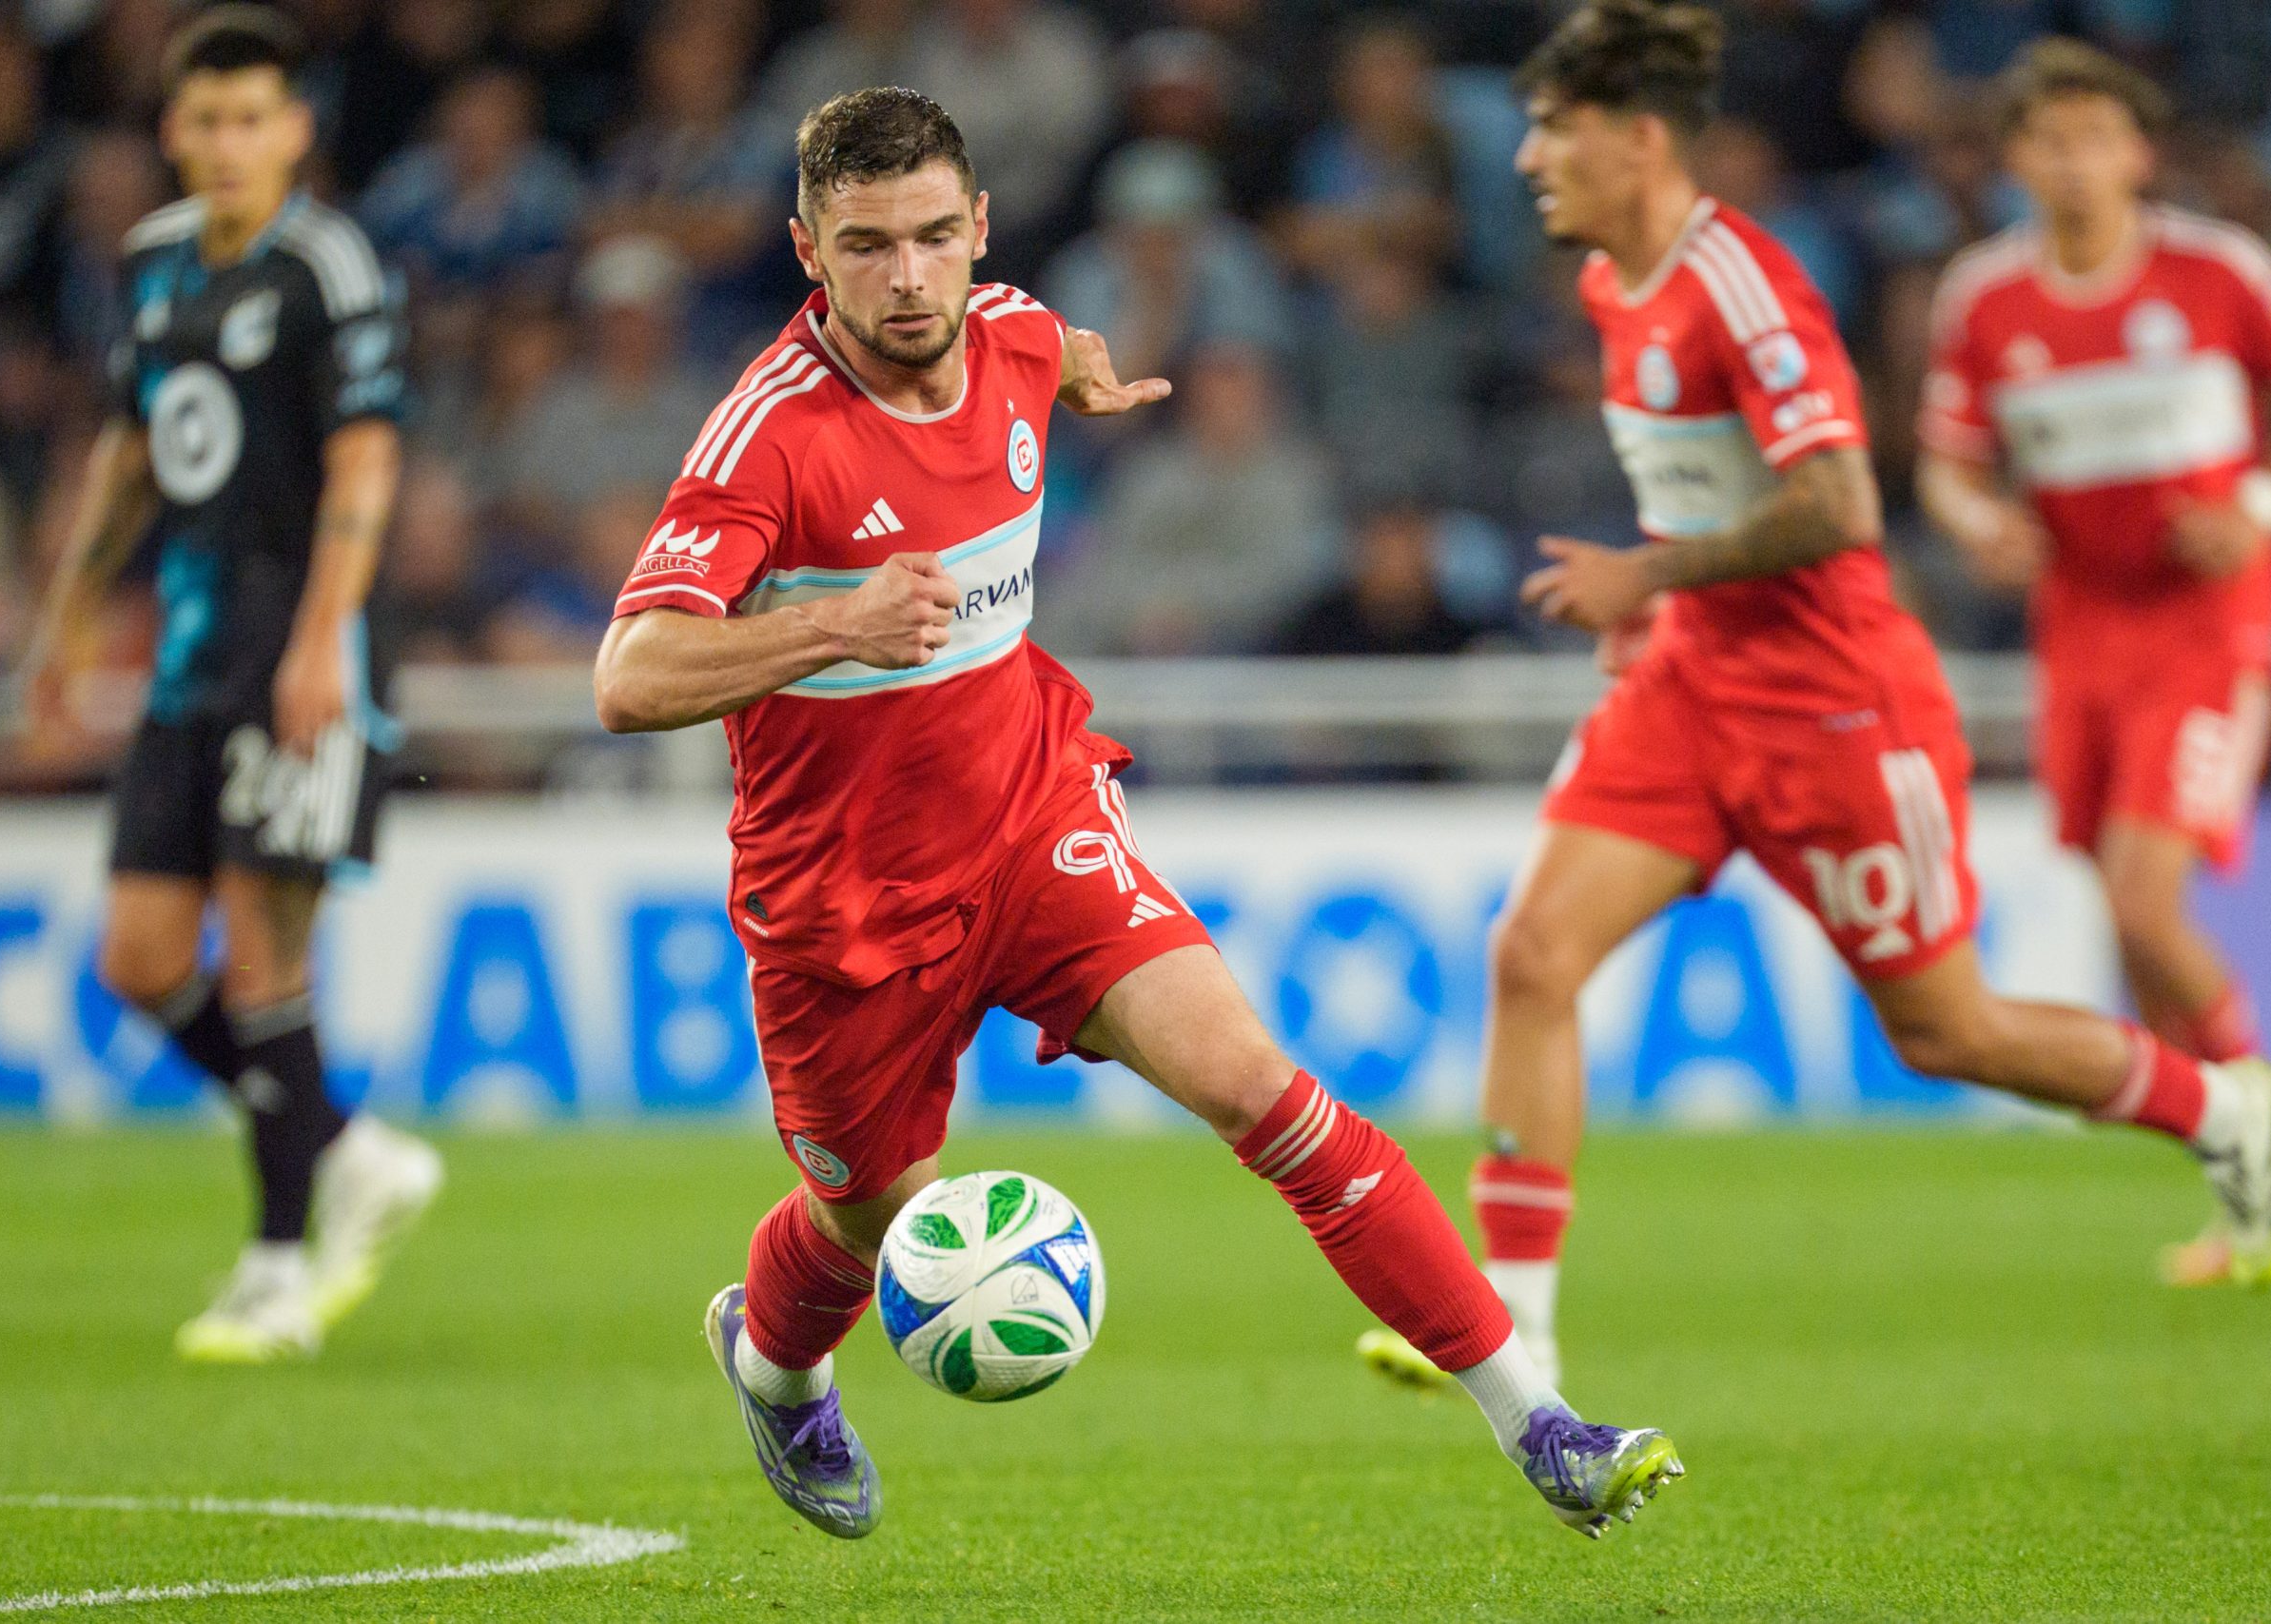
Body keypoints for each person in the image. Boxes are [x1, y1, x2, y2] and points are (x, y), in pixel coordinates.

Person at [592, 86, 1681, 1541]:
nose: (907, 278)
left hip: (1032, 821)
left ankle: (1540, 1425)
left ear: (978, 228)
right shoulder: (768, 445)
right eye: (865, 247)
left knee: (1263, 1092)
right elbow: (629, 674)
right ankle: (776, 1364)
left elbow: (1049, 342)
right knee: (866, 1222)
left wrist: (1085, 376)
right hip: (846, 906)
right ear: (807, 248)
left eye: (932, 238)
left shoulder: (1019, 334)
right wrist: (828, 627)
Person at [1356, 1, 2271, 1396]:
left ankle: (2227, 1113)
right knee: (1533, 956)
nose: (1527, 158)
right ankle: (1513, 1333)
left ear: (1639, 138)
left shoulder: (1741, 284)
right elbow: (1712, 483)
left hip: (1837, 708)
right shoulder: (1617, 285)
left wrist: (1650, 572)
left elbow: (1842, 501)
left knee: (1948, 1029)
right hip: (1691, 687)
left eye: (1553, 128)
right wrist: (1664, 606)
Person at [20, 7, 440, 1365]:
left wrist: (326, 638)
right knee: (140, 959)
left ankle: (273, 1270)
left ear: (297, 130)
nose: (226, 143)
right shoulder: (149, 264)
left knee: (266, 954)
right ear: (170, 130)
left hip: (300, 649)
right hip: (189, 657)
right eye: (204, 119)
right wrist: (67, 614)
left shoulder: (328, 264)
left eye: (253, 117)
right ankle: (350, 1149)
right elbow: (134, 451)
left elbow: (366, 463)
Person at [1916, 41, 2271, 1285]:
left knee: (2144, 898)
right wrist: (1981, 526)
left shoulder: (2216, 272)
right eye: (2049, 139)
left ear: (2138, 152)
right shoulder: (1985, 299)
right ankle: (2252, 1202)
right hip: (2079, 625)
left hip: (2208, 617)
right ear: (2016, 158)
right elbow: (1950, 465)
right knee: (2124, 915)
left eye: (2096, 137)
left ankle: (2270, 1131)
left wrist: (2262, 504)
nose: (2074, 161)